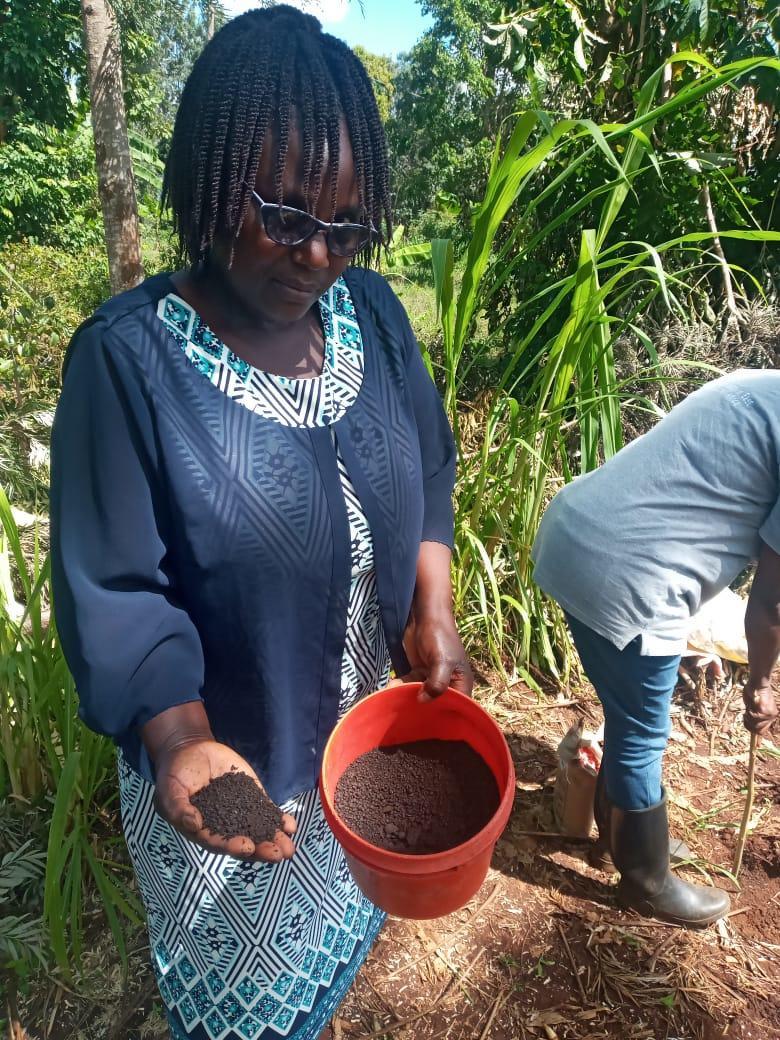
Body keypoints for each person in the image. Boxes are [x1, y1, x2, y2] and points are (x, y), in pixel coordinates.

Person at [50, 8, 472, 1039]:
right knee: (245, 1011)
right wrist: (181, 737)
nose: (318, 253)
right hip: (230, 787)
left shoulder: (372, 315)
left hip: (354, 767)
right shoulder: (131, 363)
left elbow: (429, 459)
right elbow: (118, 587)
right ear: (211, 172)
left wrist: (433, 606)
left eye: (347, 225)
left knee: (331, 963)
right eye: (285, 215)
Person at [532, 369, 780, 928]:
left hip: (573, 531)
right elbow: (772, 601)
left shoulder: (761, 385)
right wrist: (760, 683)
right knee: (643, 734)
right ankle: (647, 881)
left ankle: (623, 831)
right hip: (629, 577)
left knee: (628, 719)